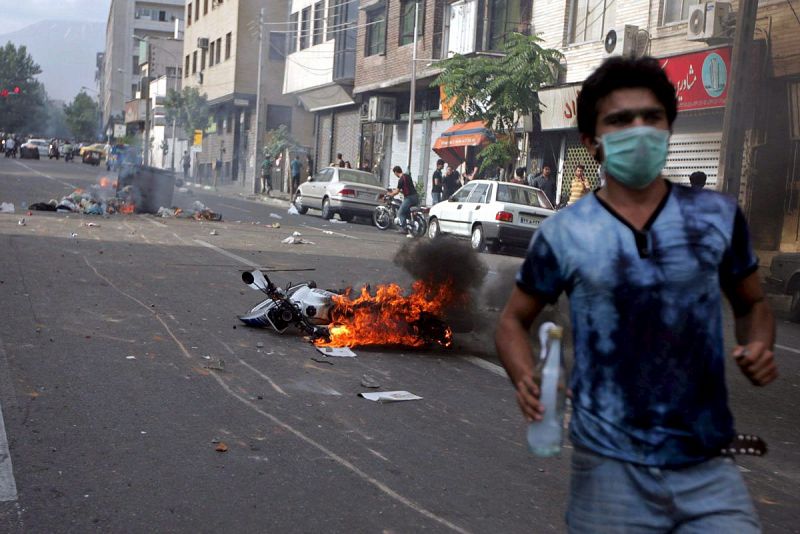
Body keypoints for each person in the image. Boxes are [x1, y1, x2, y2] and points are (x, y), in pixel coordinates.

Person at [495, 56, 776, 533]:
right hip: (608, 474)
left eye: (652, 117)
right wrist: (526, 377)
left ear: (669, 127)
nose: (639, 130)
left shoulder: (719, 217)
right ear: (592, 141)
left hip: (710, 468)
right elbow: (511, 322)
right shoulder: (564, 233)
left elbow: (753, 304)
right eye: (620, 120)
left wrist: (759, 344)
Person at [388, 165, 419, 237]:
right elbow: (408, 187)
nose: (395, 175)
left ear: (396, 172)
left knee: (400, 213)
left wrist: (390, 194)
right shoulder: (407, 176)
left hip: (409, 198)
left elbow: (397, 192)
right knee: (406, 211)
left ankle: (404, 229)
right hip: (415, 197)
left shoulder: (401, 179)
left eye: (394, 173)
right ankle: (410, 225)